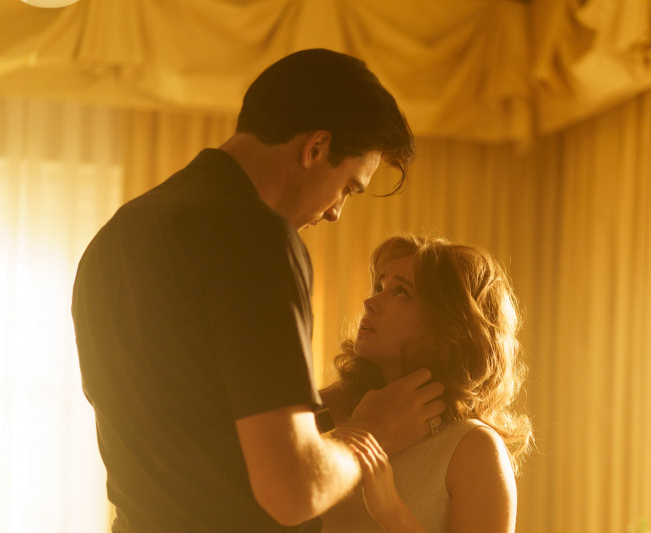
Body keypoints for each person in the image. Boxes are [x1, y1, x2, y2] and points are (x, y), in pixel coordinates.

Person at [71, 49, 446, 533]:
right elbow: (293, 492)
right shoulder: (258, 238)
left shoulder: (118, 235)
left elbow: (191, 424)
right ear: (316, 148)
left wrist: (325, 408)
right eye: (349, 187)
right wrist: (371, 433)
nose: (336, 212)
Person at [318, 234, 534, 533]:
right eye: (379, 287)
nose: (369, 302)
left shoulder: (472, 448)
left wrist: (391, 511)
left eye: (401, 292)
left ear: (451, 326)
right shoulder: (338, 417)